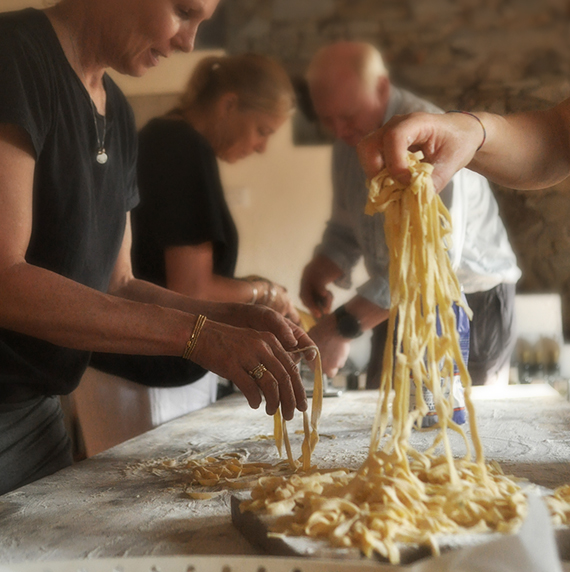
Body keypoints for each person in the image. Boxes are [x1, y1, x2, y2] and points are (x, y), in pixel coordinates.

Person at [0, 0, 314, 496]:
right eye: (183, 11)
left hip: (38, 408)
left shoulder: (118, 111)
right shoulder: (14, 54)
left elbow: (118, 283)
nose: (189, 42)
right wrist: (198, 334)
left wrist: (226, 317)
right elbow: (6, 281)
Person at [84, 53, 300, 447]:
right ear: (229, 104)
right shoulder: (181, 147)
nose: (262, 147)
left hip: (133, 364)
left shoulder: (165, 137)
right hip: (144, 372)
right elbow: (192, 288)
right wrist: (268, 294)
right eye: (261, 130)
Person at [299, 41, 521, 389]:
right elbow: (346, 225)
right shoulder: (348, 142)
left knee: (457, 428)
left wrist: (342, 327)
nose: (339, 131)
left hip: (468, 302)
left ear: (382, 88)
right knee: (381, 415)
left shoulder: (431, 138)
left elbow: (431, 260)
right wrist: (324, 265)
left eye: (348, 115)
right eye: (328, 119)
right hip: (393, 301)